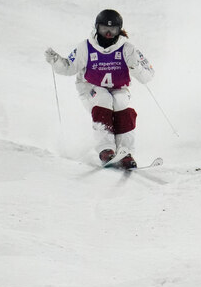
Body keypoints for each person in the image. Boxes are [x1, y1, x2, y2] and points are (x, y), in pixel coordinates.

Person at [44, 9, 155, 168]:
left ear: (119, 30)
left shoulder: (127, 48)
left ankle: (125, 152)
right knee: (104, 98)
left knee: (120, 103)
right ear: (97, 28)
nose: (108, 34)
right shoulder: (86, 47)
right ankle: (106, 149)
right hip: (90, 87)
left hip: (118, 88)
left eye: (113, 30)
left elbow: (148, 75)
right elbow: (69, 68)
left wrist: (136, 67)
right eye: (104, 29)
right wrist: (56, 61)